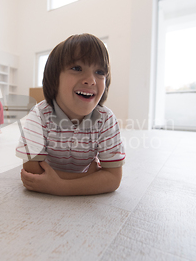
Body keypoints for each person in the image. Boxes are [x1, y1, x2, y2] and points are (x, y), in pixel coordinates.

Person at [16, 33, 125, 196]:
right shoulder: (40, 115)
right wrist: (88, 177)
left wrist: (61, 187)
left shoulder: (106, 119)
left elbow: (113, 178)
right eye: (76, 68)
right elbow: (32, 171)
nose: (90, 80)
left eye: (100, 72)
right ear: (54, 78)